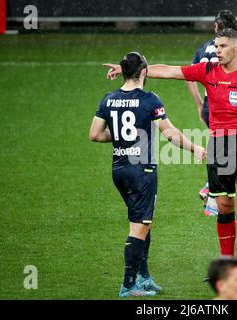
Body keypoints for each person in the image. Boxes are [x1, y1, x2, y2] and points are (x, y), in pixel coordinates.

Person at [104, 28, 237, 286]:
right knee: (224, 206)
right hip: (219, 146)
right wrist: (130, 71)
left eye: (222, 46)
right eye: (217, 46)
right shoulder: (207, 70)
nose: (217, 51)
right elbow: (170, 70)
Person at [90, 52, 206, 297]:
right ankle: (128, 285)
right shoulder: (150, 99)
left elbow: (95, 134)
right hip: (142, 171)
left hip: (119, 169)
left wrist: (122, 137)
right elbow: (170, 133)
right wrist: (195, 147)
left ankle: (143, 276)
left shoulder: (108, 99)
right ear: (144, 71)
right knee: (139, 227)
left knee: (143, 221)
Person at [187, 10, 237, 217]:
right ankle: (211, 191)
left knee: (223, 147)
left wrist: (199, 104)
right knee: (234, 149)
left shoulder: (203, 48)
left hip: (210, 104)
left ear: (216, 27)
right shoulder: (233, 48)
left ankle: (211, 192)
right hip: (226, 105)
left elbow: (190, 76)